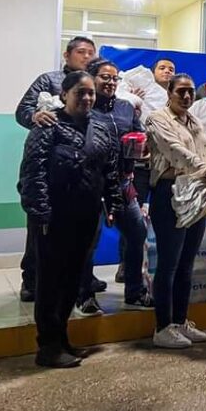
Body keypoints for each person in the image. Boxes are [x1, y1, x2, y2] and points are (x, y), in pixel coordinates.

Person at [18, 71, 122, 368]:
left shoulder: (101, 128)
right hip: (54, 217)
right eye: (80, 92)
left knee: (73, 279)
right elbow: (32, 173)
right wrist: (39, 212)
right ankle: (47, 346)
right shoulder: (47, 125)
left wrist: (113, 203)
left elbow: (109, 171)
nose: (87, 97)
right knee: (50, 282)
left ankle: (62, 338)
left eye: (91, 93)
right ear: (64, 95)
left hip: (87, 215)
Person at [14, 35, 98, 302]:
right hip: (51, 167)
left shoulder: (97, 80)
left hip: (83, 171)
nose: (87, 57)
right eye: (82, 52)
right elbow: (22, 110)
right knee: (40, 233)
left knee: (83, 236)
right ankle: (31, 280)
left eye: (91, 53)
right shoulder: (48, 80)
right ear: (67, 55)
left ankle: (84, 278)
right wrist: (34, 116)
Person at [74, 59, 154, 316]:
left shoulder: (125, 108)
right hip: (91, 186)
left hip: (122, 183)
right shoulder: (83, 108)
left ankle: (135, 291)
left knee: (137, 233)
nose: (109, 82)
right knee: (88, 241)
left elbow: (139, 136)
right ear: (91, 79)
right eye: (104, 77)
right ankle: (84, 295)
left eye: (114, 78)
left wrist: (141, 148)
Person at [145, 73, 206, 349]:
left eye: (190, 92)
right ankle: (162, 327)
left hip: (194, 193)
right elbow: (175, 151)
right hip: (169, 194)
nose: (187, 97)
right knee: (169, 264)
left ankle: (179, 321)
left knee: (187, 264)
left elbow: (205, 154)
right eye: (181, 92)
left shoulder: (194, 121)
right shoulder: (157, 119)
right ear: (169, 93)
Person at [117, 56, 176, 285]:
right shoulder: (136, 93)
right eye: (162, 68)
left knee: (164, 217)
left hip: (165, 168)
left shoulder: (176, 100)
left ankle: (157, 264)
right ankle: (125, 265)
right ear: (153, 72)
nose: (167, 72)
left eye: (171, 69)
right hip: (140, 168)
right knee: (133, 219)